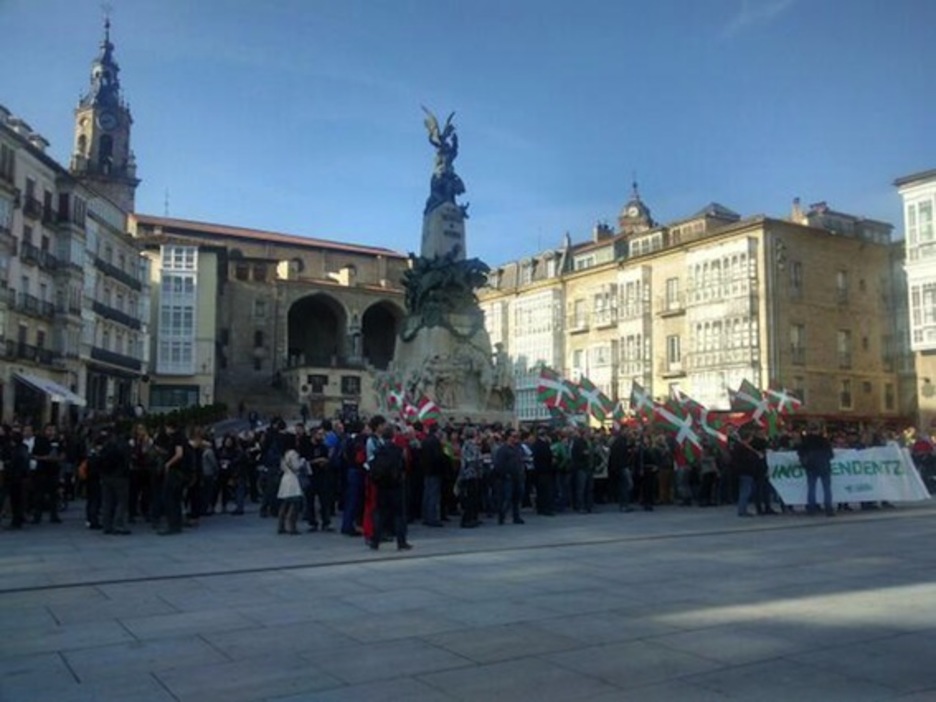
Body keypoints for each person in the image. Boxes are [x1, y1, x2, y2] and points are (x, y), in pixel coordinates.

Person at [368, 425, 412, 551]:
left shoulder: (379, 450)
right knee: (399, 515)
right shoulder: (398, 451)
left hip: (382, 486)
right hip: (396, 486)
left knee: (380, 514)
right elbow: (404, 467)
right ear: (393, 436)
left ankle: (375, 541)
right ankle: (401, 541)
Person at [97, 428, 132, 535]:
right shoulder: (125, 446)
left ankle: (106, 525)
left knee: (107, 502)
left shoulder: (107, 446)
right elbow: (127, 462)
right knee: (121, 502)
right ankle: (119, 525)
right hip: (120, 477)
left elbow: (100, 460)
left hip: (106, 477)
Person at [797, 422, 835, 517]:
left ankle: (811, 508)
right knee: (826, 488)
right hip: (824, 466)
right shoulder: (824, 440)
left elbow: (800, 453)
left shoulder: (805, 441)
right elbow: (831, 455)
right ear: (818, 430)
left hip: (811, 467)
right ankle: (828, 508)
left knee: (811, 488)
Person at [493, 428, 525, 525]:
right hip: (508, 477)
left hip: (518, 476)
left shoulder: (518, 448)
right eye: (514, 436)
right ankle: (501, 516)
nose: (516, 439)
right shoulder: (503, 449)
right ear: (508, 437)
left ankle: (516, 516)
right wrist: (505, 474)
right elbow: (499, 464)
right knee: (507, 498)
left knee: (517, 497)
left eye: (518, 436)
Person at [457, 427, 483, 528]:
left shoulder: (472, 445)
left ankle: (473, 517)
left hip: (473, 474)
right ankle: (467, 519)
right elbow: (470, 459)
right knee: (470, 498)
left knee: (474, 497)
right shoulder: (469, 445)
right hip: (470, 474)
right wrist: (479, 459)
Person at [276, 448, 304, 535]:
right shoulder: (294, 454)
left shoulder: (285, 455)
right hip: (293, 480)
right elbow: (296, 467)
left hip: (285, 478)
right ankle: (292, 527)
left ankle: (281, 525)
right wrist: (302, 462)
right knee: (294, 504)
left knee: (284, 504)